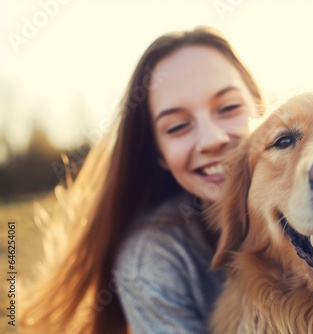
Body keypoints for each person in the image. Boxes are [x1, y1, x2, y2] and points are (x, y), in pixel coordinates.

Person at [20, 26, 264, 334]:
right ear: (159, 153)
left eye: (229, 108)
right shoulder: (152, 259)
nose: (212, 139)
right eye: (177, 127)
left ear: (262, 108)